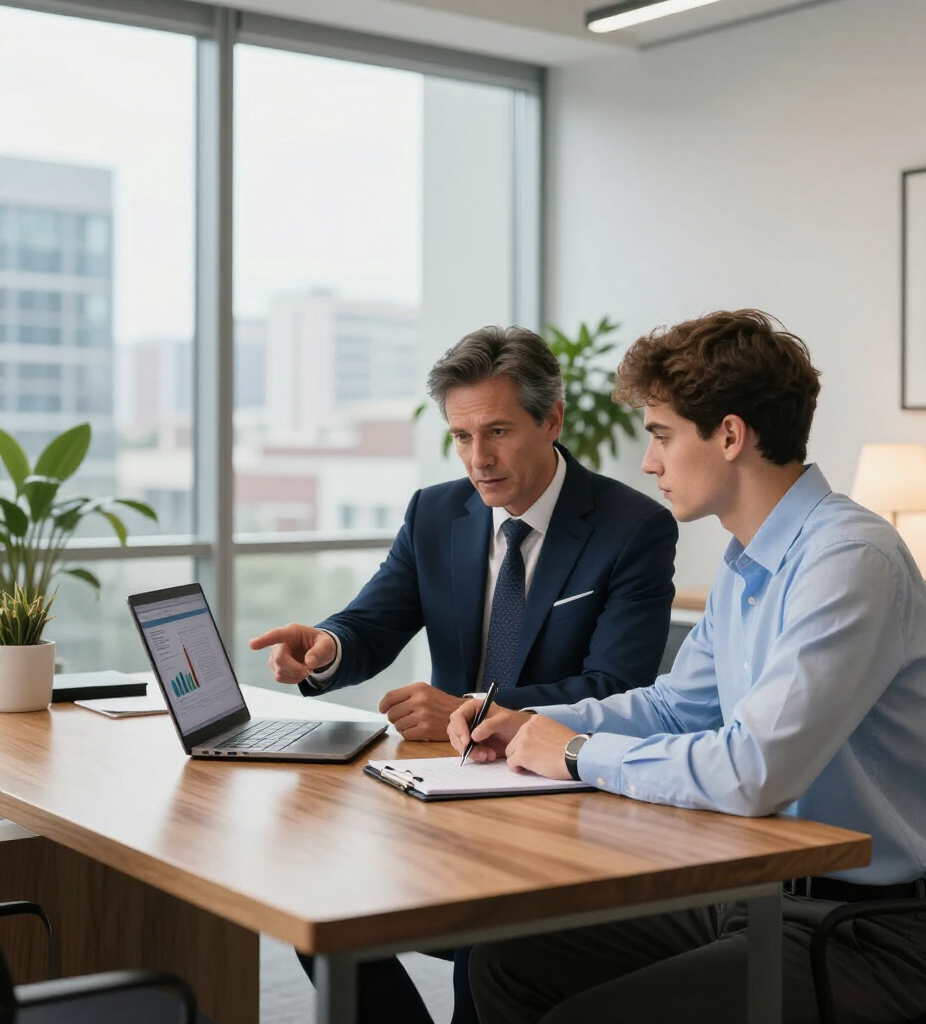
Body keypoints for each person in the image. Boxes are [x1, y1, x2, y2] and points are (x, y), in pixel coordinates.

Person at [449, 309, 926, 1024]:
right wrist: (527, 722)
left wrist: (572, 753)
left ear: (729, 436)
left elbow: (752, 772)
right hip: (750, 896)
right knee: (505, 962)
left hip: (856, 930)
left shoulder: (850, 560)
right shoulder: (746, 561)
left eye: (661, 434)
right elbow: (673, 707)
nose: (648, 461)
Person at [250, 324, 678, 1024]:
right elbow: (373, 621)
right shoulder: (435, 513)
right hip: (442, 795)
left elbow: (617, 687)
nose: (478, 459)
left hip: (562, 808)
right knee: (320, 918)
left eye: (499, 432)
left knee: (490, 957)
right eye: (460, 436)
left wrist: (472, 706)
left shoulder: (632, 528)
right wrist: (327, 646)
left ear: (552, 419)